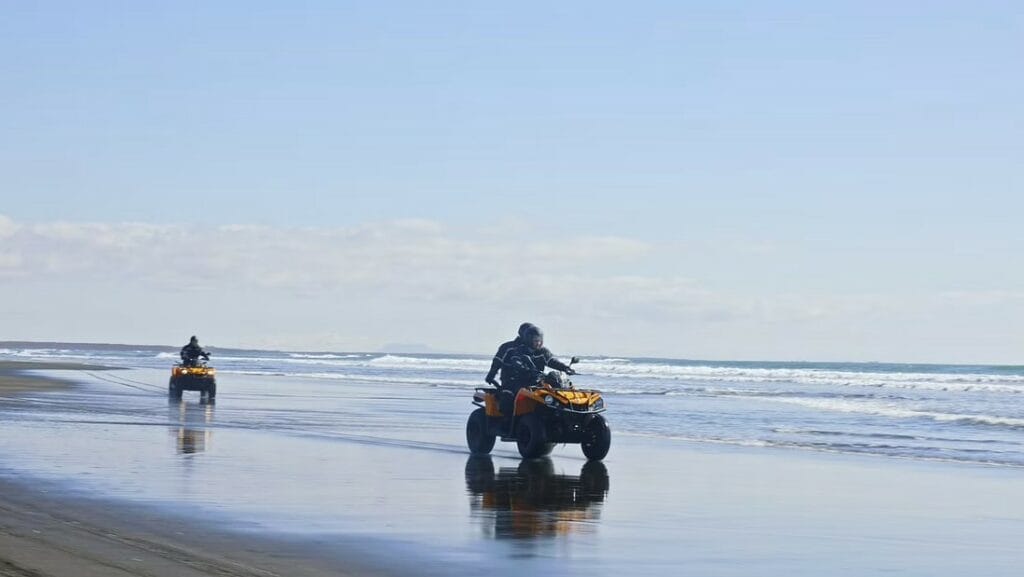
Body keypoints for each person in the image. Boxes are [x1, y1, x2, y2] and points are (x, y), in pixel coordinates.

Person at [495, 324, 574, 426]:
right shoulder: (519, 350)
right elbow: (516, 360)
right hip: (517, 380)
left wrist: (565, 368)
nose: (538, 343)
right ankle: (507, 422)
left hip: (536, 380)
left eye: (540, 340)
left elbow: (552, 361)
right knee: (508, 396)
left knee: (555, 392)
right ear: (528, 340)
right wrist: (523, 368)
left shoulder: (543, 351)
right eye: (536, 340)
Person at [484, 322, 535, 388]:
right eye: (530, 334)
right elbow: (497, 361)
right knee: (508, 395)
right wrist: (491, 375)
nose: (532, 336)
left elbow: (546, 360)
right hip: (510, 381)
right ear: (523, 334)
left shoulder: (535, 349)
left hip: (530, 382)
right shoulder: (508, 347)